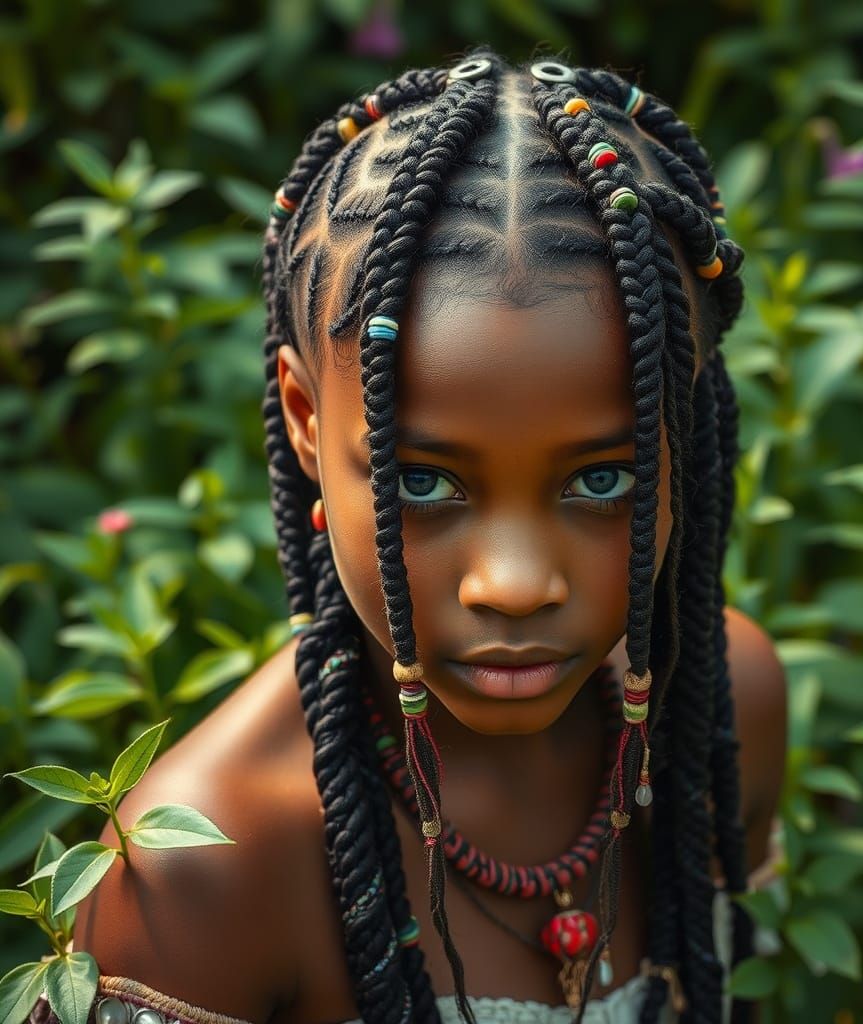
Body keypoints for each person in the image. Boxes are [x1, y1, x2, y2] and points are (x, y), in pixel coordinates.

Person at [35, 49, 787, 1024]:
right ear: (308, 422)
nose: (513, 584)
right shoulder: (204, 863)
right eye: (424, 481)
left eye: (603, 478)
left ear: (683, 431)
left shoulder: (728, 705)